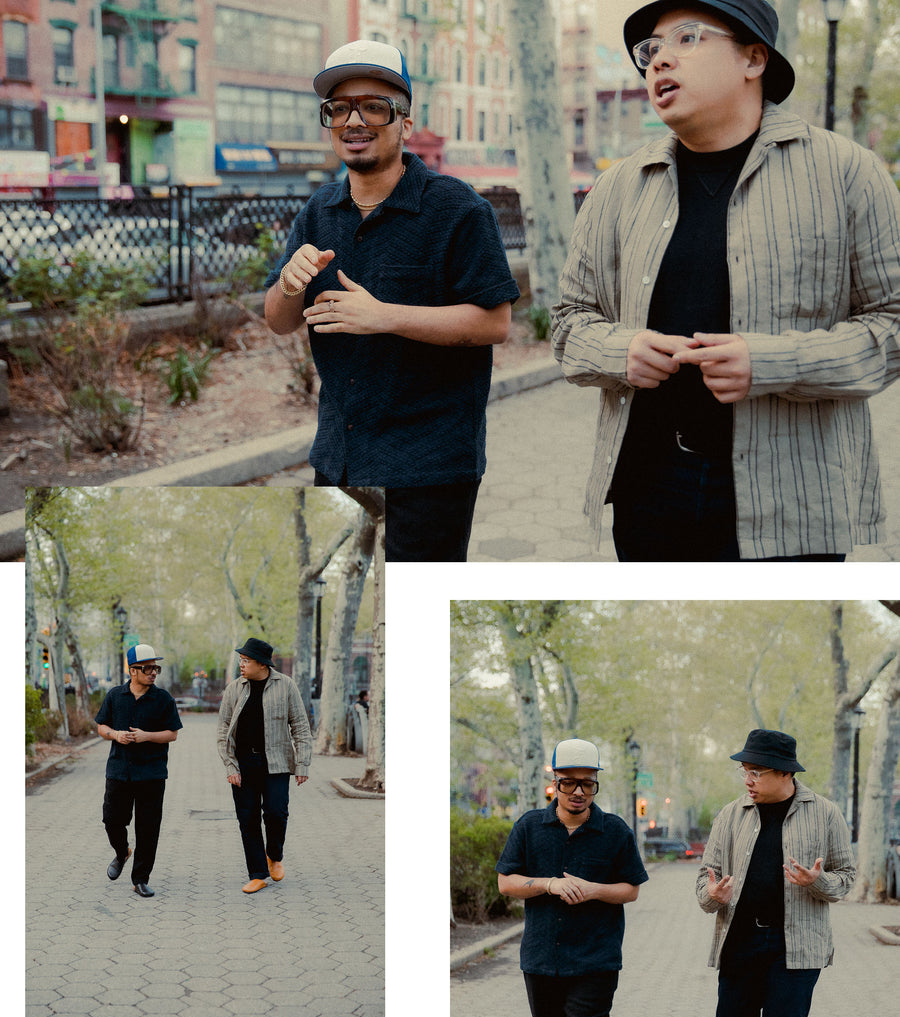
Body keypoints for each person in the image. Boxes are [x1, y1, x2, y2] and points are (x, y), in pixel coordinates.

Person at [551, 0, 900, 561]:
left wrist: (773, 363)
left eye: (686, 38)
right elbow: (568, 324)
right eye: (650, 50)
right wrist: (622, 351)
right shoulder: (617, 189)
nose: (659, 59)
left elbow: (893, 323)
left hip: (792, 503)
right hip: (647, 490)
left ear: (753, 58)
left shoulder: (846, 172)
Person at [264, 39, 521, 562]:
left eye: (373, 106)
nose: (353, 120)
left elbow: (495, 322)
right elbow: (279, 322)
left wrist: (383, 317)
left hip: (430, 461)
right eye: (338, 108)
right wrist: (289, 286)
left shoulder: (459, 209)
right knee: (344, 597)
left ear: (404, 122)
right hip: (339, 452)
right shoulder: (319, 210)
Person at [696, 729, 855, 1017]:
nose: (747, 779)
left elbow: (846, 876)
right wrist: (712, 895)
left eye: (756, 771)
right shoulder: (732, 815)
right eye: (744, 771)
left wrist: (816, 883)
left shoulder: (823, 813)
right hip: (741, 944)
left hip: (797, 950)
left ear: (785, 773)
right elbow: (703, 882)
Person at [496, 738, 648, 1017]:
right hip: (540, 958)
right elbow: (506, 882)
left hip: (596, 960)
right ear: (554, 784)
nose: (578, 792)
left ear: (596, 784)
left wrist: (591, 889)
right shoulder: (529, 827)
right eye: (569, 783)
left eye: (587, 784)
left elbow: (631, 889)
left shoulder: (615, 830)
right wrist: (549, 884)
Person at [216, 637, 312, 894]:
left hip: (277, 762)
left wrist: (302, 764)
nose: (241, 665)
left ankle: (274, 856)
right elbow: (223, 729)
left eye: (246, 661)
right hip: (244, 763)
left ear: (261, 664)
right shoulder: (235, 688)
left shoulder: (286, 685)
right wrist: (230, 766)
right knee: (247, 819)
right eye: (240, 660)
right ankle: (257, 874)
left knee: (276, 812)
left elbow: (300, 726)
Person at [95, 643, 182, 899]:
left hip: (151, 774)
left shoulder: (163, 699)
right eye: (147, 668)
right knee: (112, 820)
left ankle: (140, 879)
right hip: (119, 771)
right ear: (132, 670)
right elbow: (101, 726)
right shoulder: (114, 696)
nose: (153, 672)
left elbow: (172, 734)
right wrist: (115, 735)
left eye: (156, 667)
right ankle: (122, 852)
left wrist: (146, 737)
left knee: (148, 828)